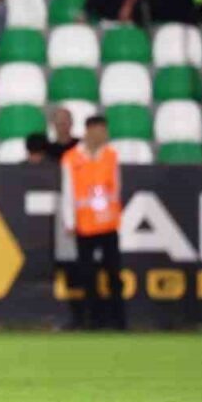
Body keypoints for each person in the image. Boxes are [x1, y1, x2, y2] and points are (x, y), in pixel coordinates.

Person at [61, 115, 127, 330]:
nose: (103, 135)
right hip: (85, 224)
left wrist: (117, 216)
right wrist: (69, 221)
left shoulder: (111, 155)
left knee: (114, 273)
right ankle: (92, 320)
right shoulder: (72, 158)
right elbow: (68, 192)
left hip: (108, 224)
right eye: (99, 130)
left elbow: (116, 188)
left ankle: (118, 320)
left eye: (104, 131)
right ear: (89, 131)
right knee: (87, 274)